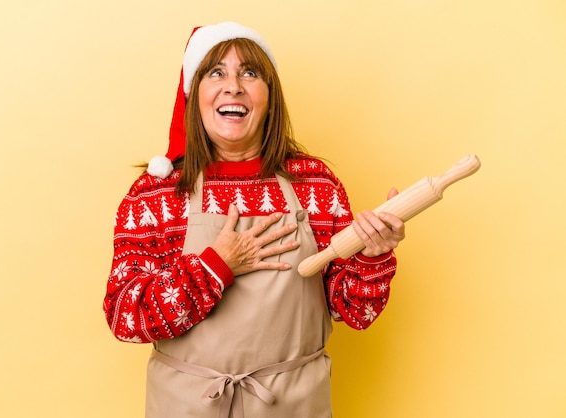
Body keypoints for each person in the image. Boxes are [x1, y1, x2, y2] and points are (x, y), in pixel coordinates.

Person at [103, 21, 406, 418]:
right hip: (187, 406)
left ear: (269, 97)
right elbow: (125, 316)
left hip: (294, 405)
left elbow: (354, 311)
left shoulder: (317, 184)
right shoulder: (155, 195)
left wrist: (373, 258)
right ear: (196, 95)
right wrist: (215, 265)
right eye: (216, 72)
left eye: (250, 72)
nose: (233, 86)